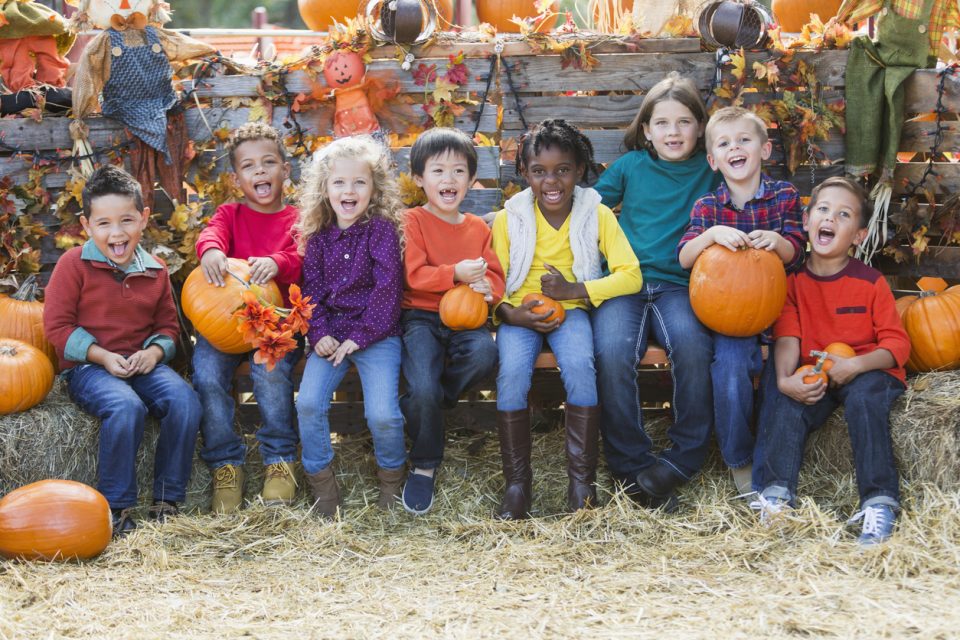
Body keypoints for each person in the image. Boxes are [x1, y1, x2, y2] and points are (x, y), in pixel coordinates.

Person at [491, 119, 643, 519]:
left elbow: (631, 275)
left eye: (563, 170)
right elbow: (493, 281)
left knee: (580, 366)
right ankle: (518, 486)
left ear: (579, 170)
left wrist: (575, 291)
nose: (551, 181)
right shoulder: (510, 219)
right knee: (511, 375)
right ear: (524, 174)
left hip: (571, 311)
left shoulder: (598, 214)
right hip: (518, 314)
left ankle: (582, 485)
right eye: (539, 171)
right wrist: (511, 313)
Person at [43, 165, 201, 536]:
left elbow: (167, 328)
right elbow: (57, 328)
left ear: (143, 219)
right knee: (124, 406)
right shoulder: (73, 265)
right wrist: (101, 356)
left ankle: (167, 498)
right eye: (104, 224)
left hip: (140, 361)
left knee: (185, 400)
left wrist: (155, 354)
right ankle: (116, 507)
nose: (117, 233)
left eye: (126, 220)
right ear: (86, 225)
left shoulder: (156, 270)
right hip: (89, 367)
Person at [752, 177, 910, 545]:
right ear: (807, 221)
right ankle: (777, 498)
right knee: (788, 404)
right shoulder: (791, 284)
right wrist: (784, 379)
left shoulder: (870, 282)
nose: (831, 218)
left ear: (858, 235)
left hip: (869, 370)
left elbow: (897, 346)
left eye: (844, 214)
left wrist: (856, 366)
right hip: (819, 372)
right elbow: (787, 336)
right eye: (823, 209)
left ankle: (879, 503)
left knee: (864, 399)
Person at [591, 72, 721, 509]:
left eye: (684, 122)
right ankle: (631, 466)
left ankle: (683, 458)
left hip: (679, 285)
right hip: (624, 282)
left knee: (693, 346)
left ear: (700, 127)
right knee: (610, 351)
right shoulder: (630, 167)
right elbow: (587, 209)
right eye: (662, 123)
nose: (673, 132)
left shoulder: (710, 168)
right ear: (646, 130)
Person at [677, 106, 805, 495]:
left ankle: (776, 460)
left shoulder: (784, 196)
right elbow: (684, 257)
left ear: (764, 150)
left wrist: (781, 243)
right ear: (714, 160)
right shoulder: (708, 209)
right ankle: (740, 460)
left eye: (744, 140)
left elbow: (799, 250)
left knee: (778, 383)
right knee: (730, 368)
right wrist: (711, 235)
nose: (736, 148)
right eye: (725, 143)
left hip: (779, 310)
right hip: (729, 318)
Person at [192, 122, 302, 513]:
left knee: (270, 376)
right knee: (205, 373)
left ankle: (279, 459)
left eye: (268, 163)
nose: (259, 172)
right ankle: (225, 463)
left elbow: (304, 255)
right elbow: (210, 235)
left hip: (275, 324)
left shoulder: (298, 218)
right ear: (237, 178)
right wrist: (210, 252)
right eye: (249, 166)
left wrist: (277, 262)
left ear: (285, 171)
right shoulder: (230, 214)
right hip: (225, 321)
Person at [294, 136, 407, 517]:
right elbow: (312, 292)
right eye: (339, 182)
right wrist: (320, 333)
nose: (349, 190)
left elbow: (387, 292)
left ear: (374, 189)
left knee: (383, 414)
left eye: (359, 182)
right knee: (308, 403)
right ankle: (323, 487)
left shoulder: (381, 232)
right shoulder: (319, 238)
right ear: (324, 189)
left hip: (377, 334)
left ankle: (392, 480)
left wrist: (358, 338)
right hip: (332, 334)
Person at [399, 127, 505, 515]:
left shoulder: (477, 228)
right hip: (421, 317)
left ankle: (432, 400)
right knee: (420, 381)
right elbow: (412, 275)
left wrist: (488, 288)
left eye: (459, 171)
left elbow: (494, 275)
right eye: (438, 171)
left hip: (467, 319)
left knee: (484, 356)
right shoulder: (412, 221)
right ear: (418, 179)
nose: (449, 180)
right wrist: (455, 273)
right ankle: (424, 464)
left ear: (472, 180)